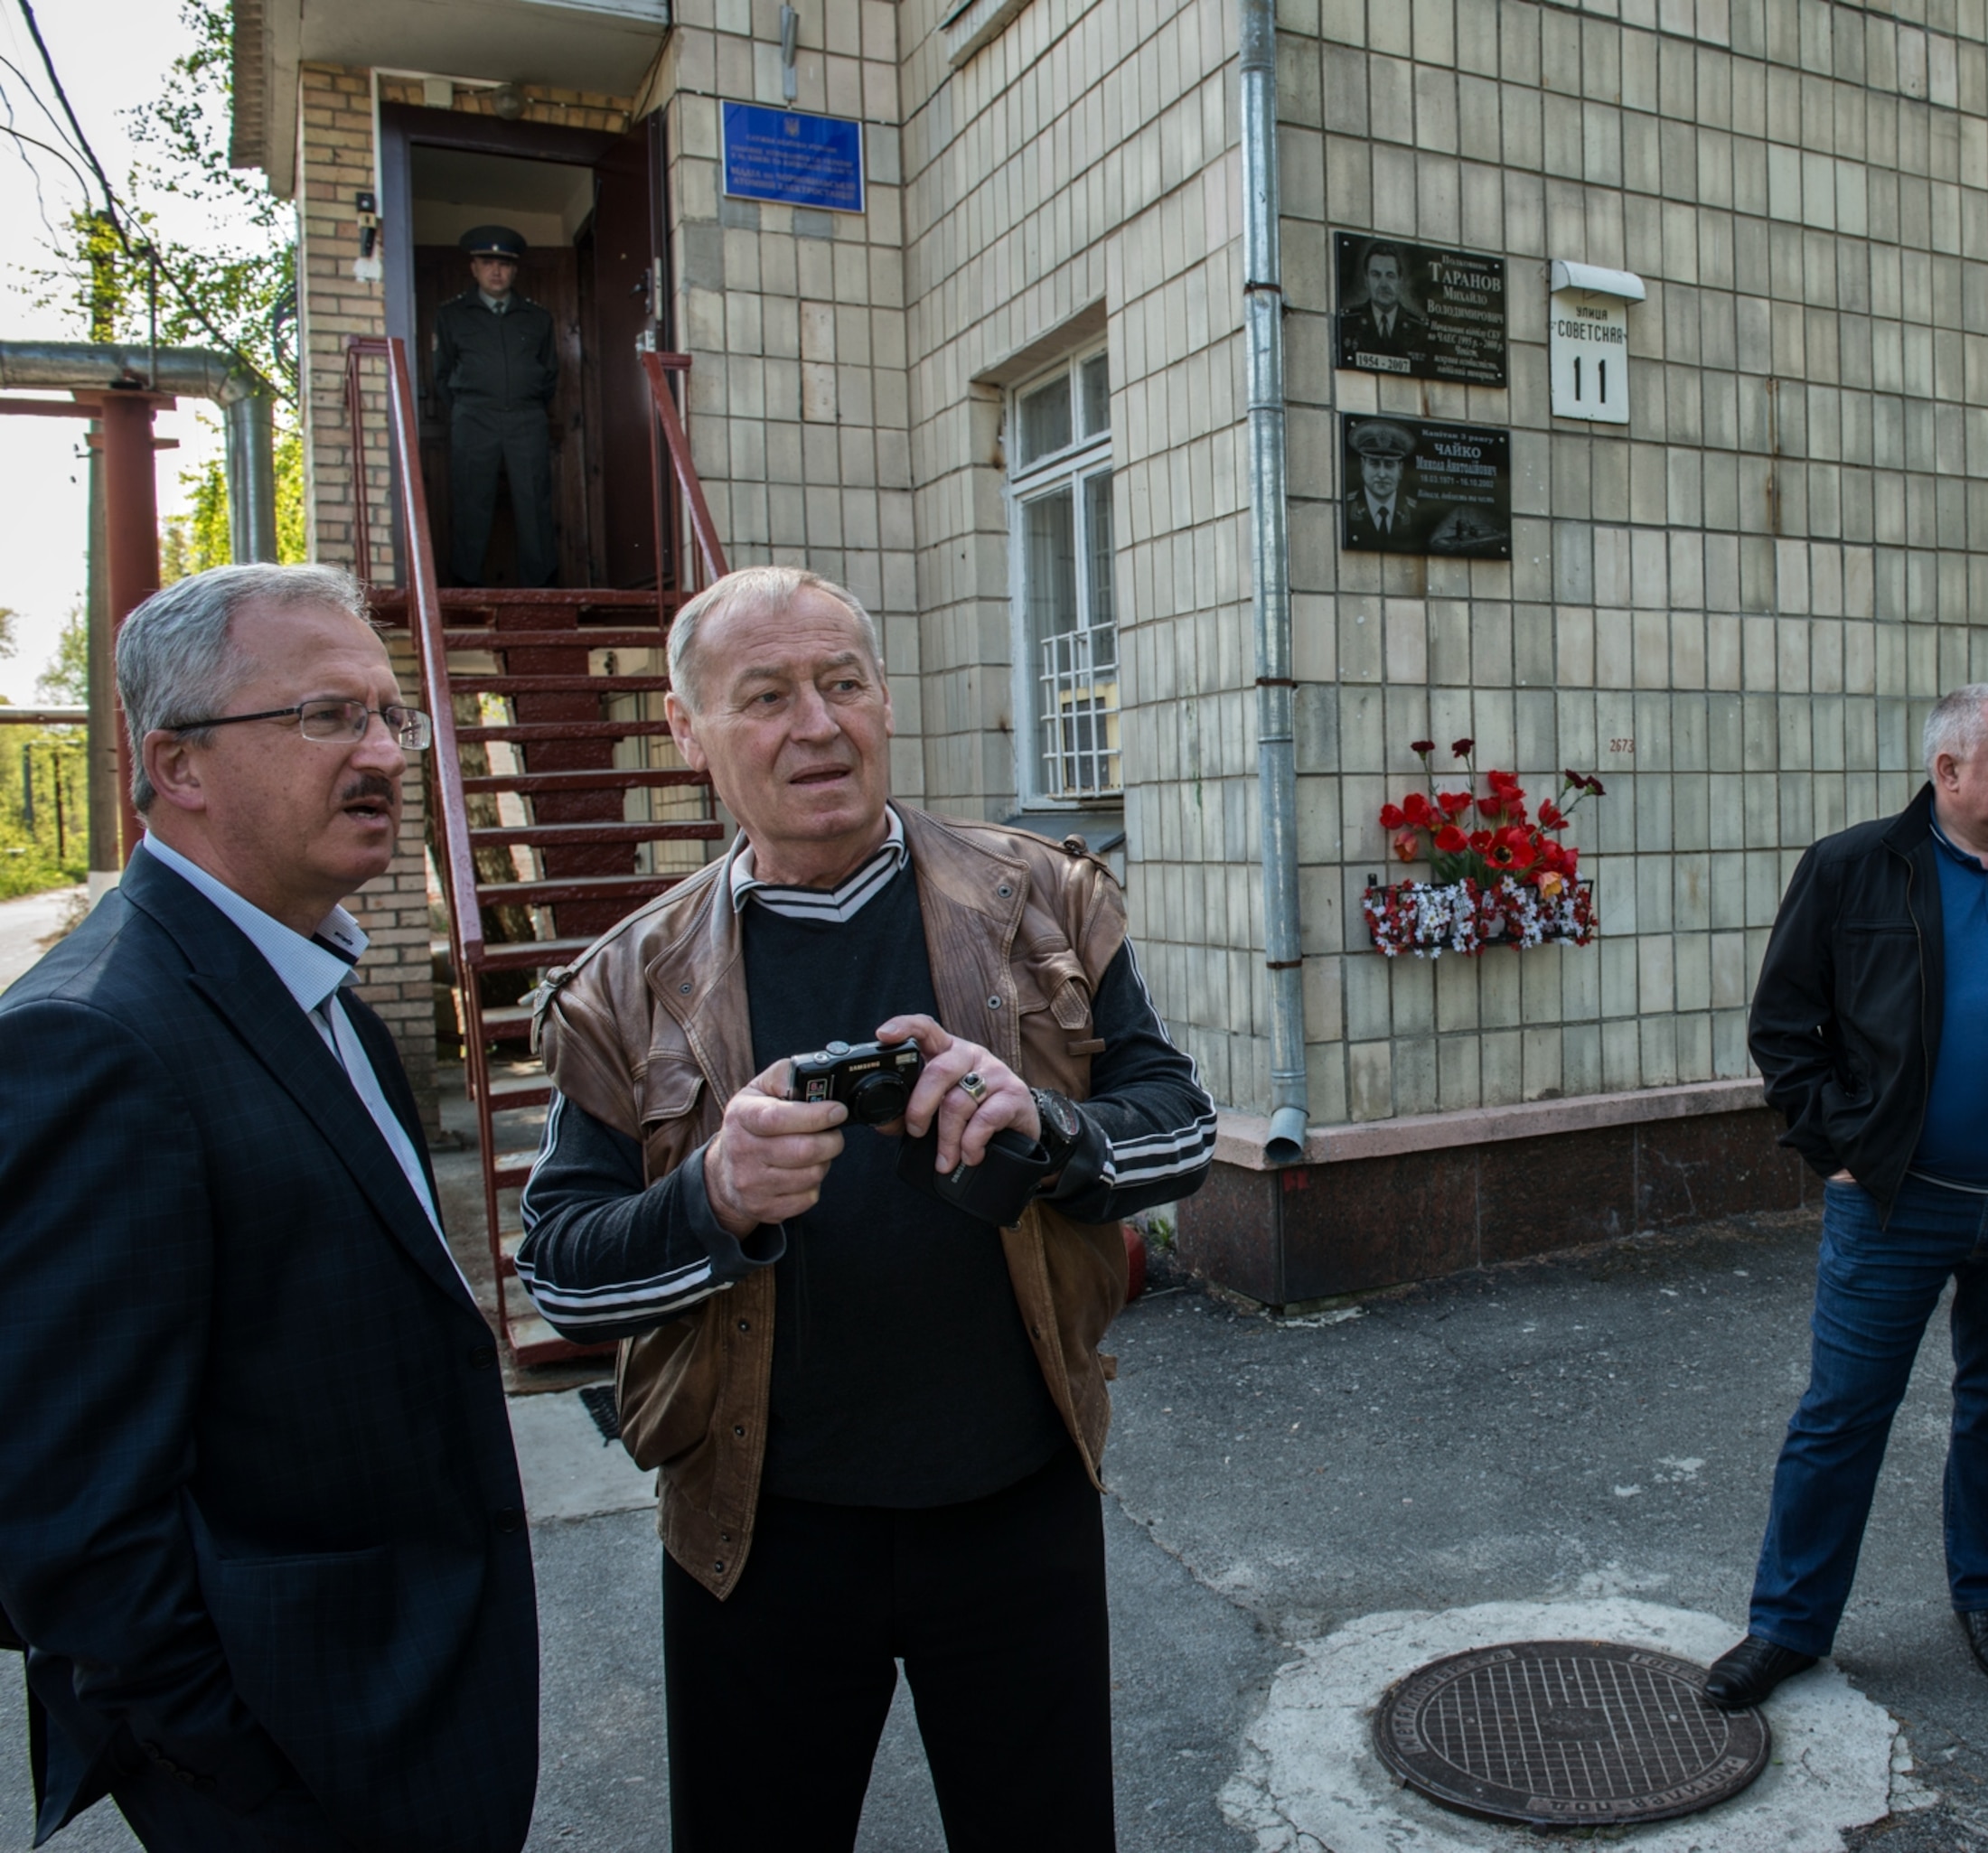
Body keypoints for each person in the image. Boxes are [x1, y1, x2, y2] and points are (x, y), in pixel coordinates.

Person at [513, 566, 1215, 1853]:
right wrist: (712, 1197)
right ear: (688, 730)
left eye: (841, 682)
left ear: (886, 698)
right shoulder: (627, 984)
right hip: (756, 1535)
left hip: (1018, 1502)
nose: (817, 724)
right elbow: (560, 1271)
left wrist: (1048, 1127)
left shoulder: (1040, 902)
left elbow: (1181, 1126)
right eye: (766, 694)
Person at [0, 564, 539, 1851]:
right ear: (177, 763)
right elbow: (75, 1532)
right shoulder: (96, 1041)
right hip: (303, 1760)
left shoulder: (329, 989)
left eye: (387, 716)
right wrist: (249, 1793)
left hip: (418, 1704)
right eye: (323, 717)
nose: (379, 754)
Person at [1709, 684, 1988, 1708]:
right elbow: (1786, 1027)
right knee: (1841, 1411)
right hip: (1895, 1202)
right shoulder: (1854, 867)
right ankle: (1788, 1623)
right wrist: (1839, 1144)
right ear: (1948, 771)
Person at [433, 224, 559, 586]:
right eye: (487, 262)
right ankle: (466, 589)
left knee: (534, 503)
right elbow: (442, 375)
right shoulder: (453, 315)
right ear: (474, 267)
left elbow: (549, 374)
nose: (496, 270)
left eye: (504, 263)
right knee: (471, 502)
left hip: (525, 417)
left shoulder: (537, 318)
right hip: (474, 417)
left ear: (515, 269)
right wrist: (471, 407)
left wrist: (523, 401)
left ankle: (542, 590)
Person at [1343, 417, 1434, 551]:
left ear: (1401, 470)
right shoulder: (1347, 508)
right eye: (1374, 464)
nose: (1382, 474)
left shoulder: (1416, 512)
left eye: (1389, 465)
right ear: (1363, 466)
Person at [1337, 242, 1430, 371]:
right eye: (1376, 275)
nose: (1383, 284)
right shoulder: (1347, 324)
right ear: (1366, 280)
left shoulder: (1420, 330)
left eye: (1390, 275)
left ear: (1400, 280)